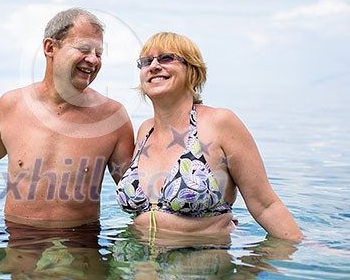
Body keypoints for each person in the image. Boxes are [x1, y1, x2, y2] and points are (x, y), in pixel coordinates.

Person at [0, 8, 134, 228]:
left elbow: (135, 195)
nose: (93, 60)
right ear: (50, 48)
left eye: (99, 53)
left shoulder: (112, 117)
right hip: (17, 238)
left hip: (80, 244)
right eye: (84, 49)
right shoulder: (11, 106)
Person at [116, 32, 303, 242]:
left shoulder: (220, 123)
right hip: (133, 263)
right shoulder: (145, 130)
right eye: (146, 61)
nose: (154, 66)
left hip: (199, 263)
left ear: (192, 71)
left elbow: (265, 206)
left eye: (166, 58)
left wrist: (308, 248)